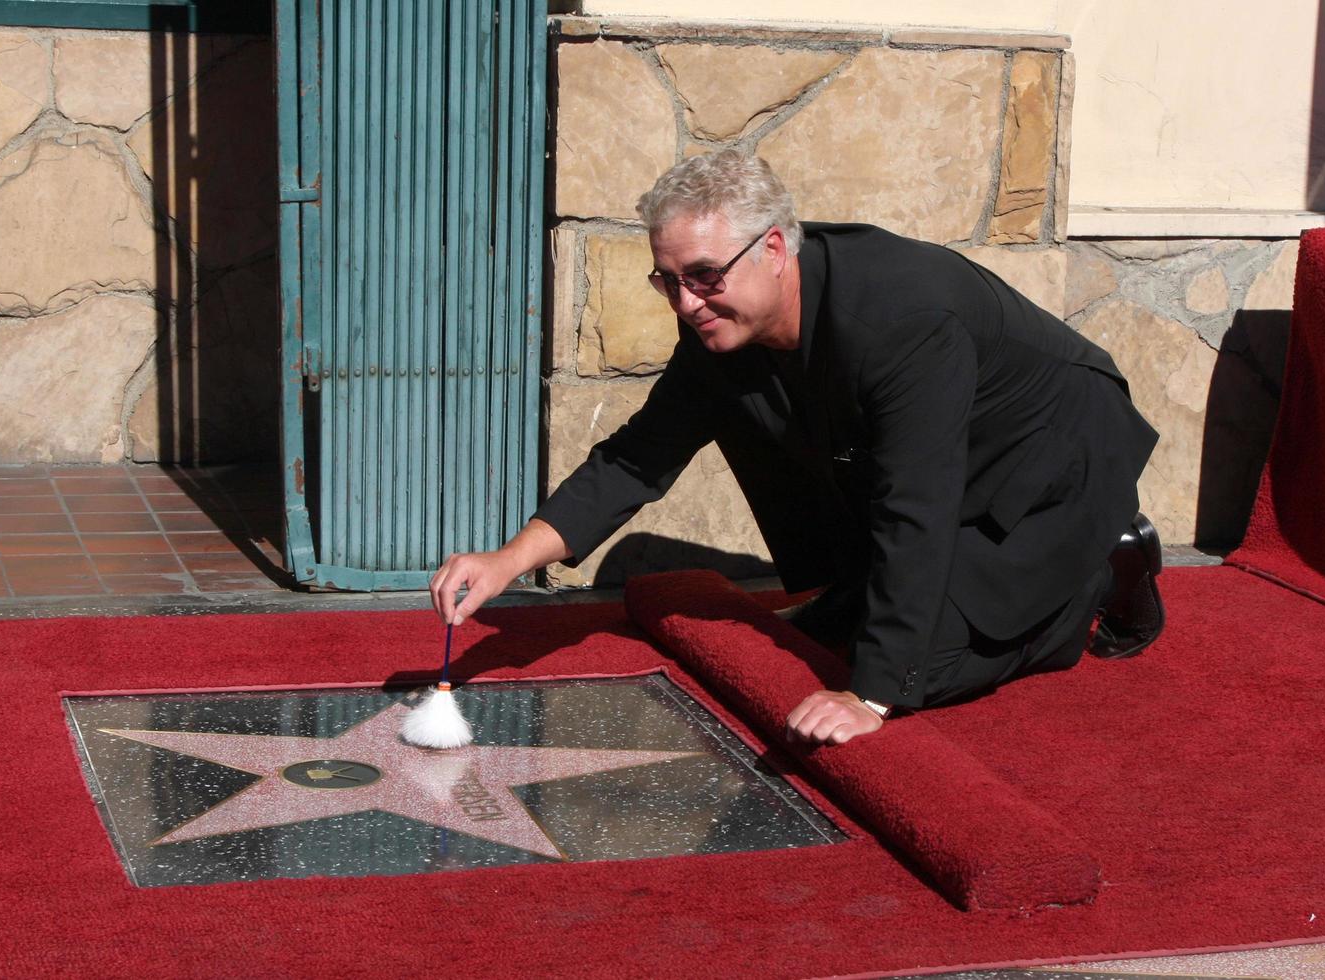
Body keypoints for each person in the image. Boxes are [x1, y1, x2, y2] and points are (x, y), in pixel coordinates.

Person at [430, 150, 1164, 746]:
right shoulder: (724, 329)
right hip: (955, 464)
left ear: (774, 249)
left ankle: (1103, 569)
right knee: (850, 621)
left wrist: (872, 695)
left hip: (1050, 462)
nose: (687, 304)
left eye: (705, 278)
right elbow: (637, 457)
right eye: (670, 281)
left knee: (919, 664)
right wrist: (508, 559)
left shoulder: (902, 321)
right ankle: (875, 598)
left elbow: (917, 503)